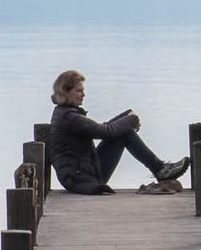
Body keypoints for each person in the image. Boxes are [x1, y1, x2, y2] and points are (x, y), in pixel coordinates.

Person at [48, 69, 190, 195]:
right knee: (124, 133)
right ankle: (160, 169)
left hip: (80, 175)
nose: (83, 94)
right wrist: (132, 119)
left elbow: (103, 128)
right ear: (65, 92)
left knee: (122, 130)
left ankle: (160, 169)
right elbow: (107, 132)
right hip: (83, 180)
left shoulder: (63, 113)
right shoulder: (70, 118)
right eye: (79, 91)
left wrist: (127, 116)